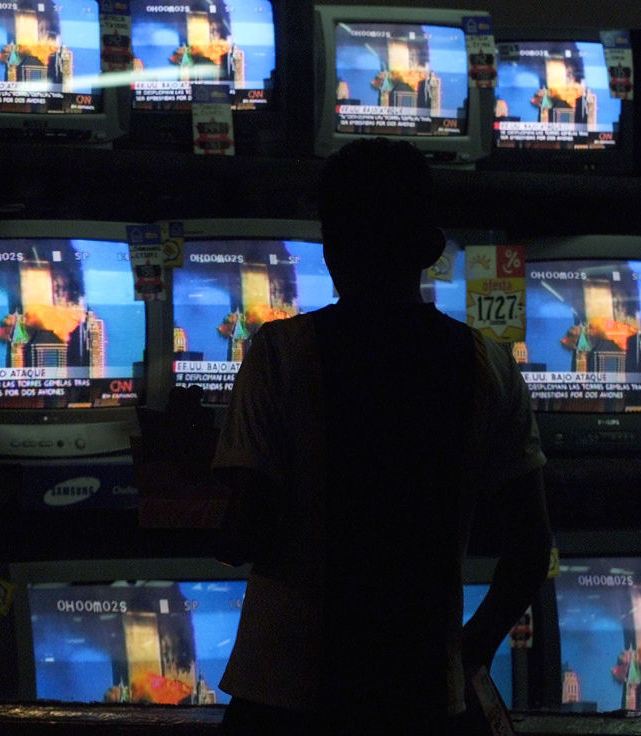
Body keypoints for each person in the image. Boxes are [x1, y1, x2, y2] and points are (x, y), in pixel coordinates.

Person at [211, 137, 552, 735]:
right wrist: (468, 652)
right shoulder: (488, 365)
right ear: (430, 248)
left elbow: (244, 535)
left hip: (283, 695)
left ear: (330, 248)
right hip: (423, 698)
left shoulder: (280, 355)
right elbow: (530, 551)